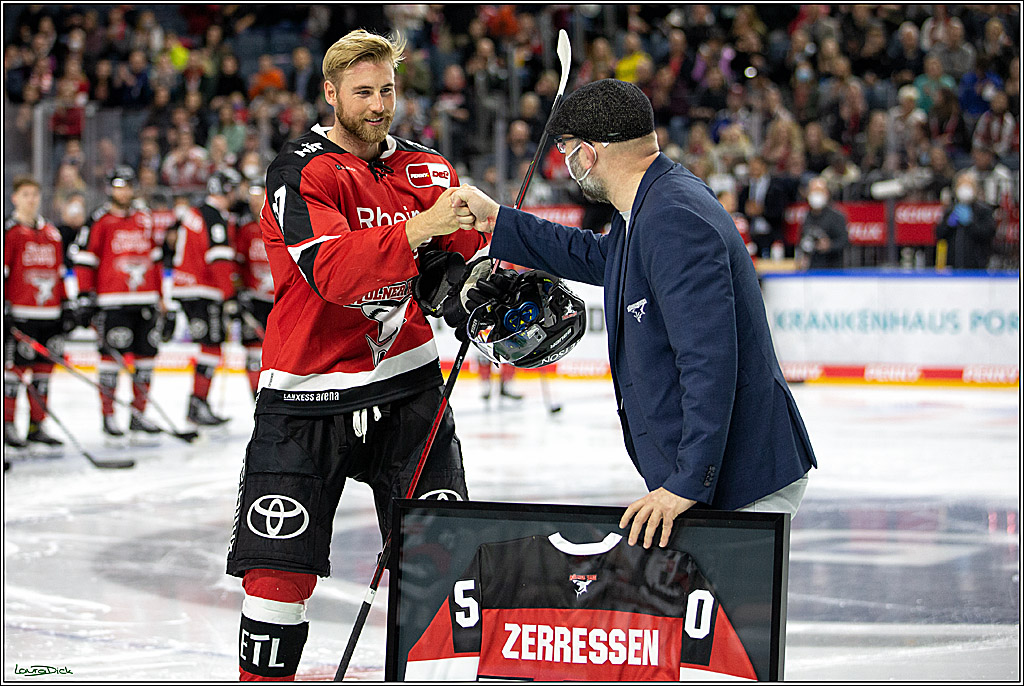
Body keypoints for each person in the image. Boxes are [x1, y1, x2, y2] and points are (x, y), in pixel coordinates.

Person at [452, 79, 817, 550]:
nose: (567, 163)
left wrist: (689, 481)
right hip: (723, 478)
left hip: (740, 481)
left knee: (732, 625)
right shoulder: (648, 204)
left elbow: (709, 360)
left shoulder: (673, 217)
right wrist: (497, 221)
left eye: (566, 150)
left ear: (589, 153)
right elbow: (596, 256)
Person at [224, 30, 486, 681]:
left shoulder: (426, 169)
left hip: (408, 390)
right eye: (363, 91)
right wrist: (425, 226)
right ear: (331, 92)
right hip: (304, 397)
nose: (378, 104)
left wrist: (477, 296)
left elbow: (438, 275)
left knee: (444, 566)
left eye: (387, 90)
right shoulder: (300, 169)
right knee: (275, 581)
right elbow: (333, 273)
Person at [72, 166, 166, 444]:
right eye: (117, 186)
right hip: (112, 302)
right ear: (110, 189)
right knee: (111, 362)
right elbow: (85, 260)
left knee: (146, 360)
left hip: (145, 300)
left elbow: (156, 259)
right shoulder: (99, 220)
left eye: (127, 186)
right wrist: (85, 295)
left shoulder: (144, 218)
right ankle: (109, 415)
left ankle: (139, 415)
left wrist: (161, 297)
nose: (122, 191)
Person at [4, 175, 74, 452]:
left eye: (35, 194)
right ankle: (7, 424)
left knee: (44, 373)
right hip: (21, 314)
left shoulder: (52, 234)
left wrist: (67, 305)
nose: (31, 199)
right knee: (15, 372)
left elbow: (58, 273)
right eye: (25, 194)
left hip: (50, 315)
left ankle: (37, 425)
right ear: (15, 198)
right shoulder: (9, 232)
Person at [170, 168, 241, 426]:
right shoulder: (214, 216)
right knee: (211, 347)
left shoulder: (197, 211)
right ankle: (197, 403)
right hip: (203, 289)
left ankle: (198, 403)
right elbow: (219, 259)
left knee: (208, 346)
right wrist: (230, 295)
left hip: (187, 288)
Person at [233, 181, 273, 400]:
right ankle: (256, 401)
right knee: (251, 351)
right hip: (254, 299)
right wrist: (239, 292)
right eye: (252, 195)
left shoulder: (283, 224)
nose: (255, 200)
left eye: (260, 194)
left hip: (280, 300)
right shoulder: (246, 229)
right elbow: (237, 264)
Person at [934, 173, 997, 270]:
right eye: (961, 185)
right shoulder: (950, 210)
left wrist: (971, 223)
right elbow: (939, 234)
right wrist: (948, 224)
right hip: (953, 266)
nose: (964, 189)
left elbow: (988, 233)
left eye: (968, 185)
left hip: (977, 267)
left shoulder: (984, 210)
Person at [797, 177, 848, 270]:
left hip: (832, 269)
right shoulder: (806, 215)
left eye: (820, 191)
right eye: (813, 191)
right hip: (812, 269)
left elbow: (844, 241)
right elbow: (802, 239)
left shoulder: (837, 216)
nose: (816, 194)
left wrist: (830, 245)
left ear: (827, 193)